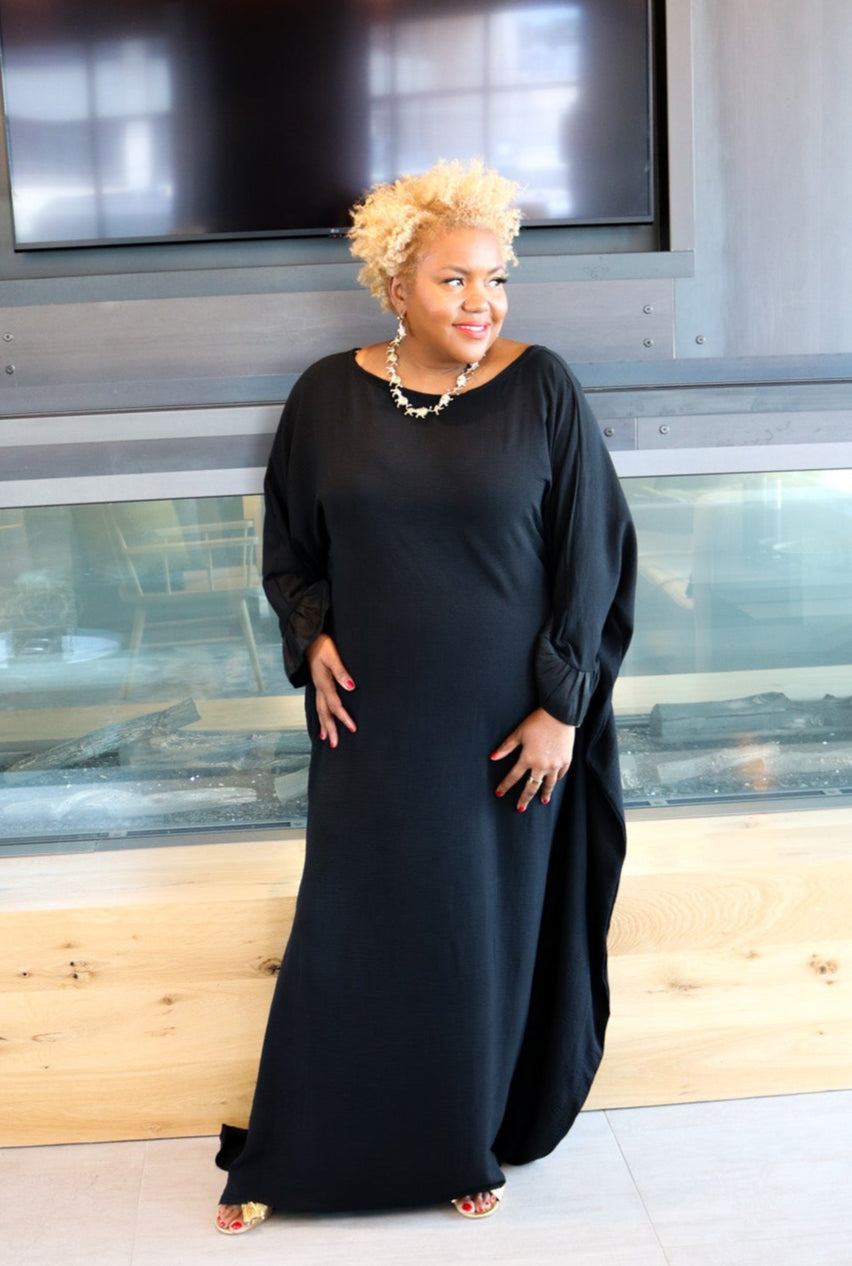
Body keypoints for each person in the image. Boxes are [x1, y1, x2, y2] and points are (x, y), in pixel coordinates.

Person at [215, 158, 636, 1234]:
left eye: (495, 281)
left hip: (508, 732)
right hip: (370, 727)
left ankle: (459, 1141)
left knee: (472, 935)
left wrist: (562, 708)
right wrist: (309, 639)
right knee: (351, 929)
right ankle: (297, 1153)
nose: (481, 304)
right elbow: (291, 552)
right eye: (454, 282)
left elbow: (592, 558)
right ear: (397, 283)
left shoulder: (543, 386)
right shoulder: (324, 395)